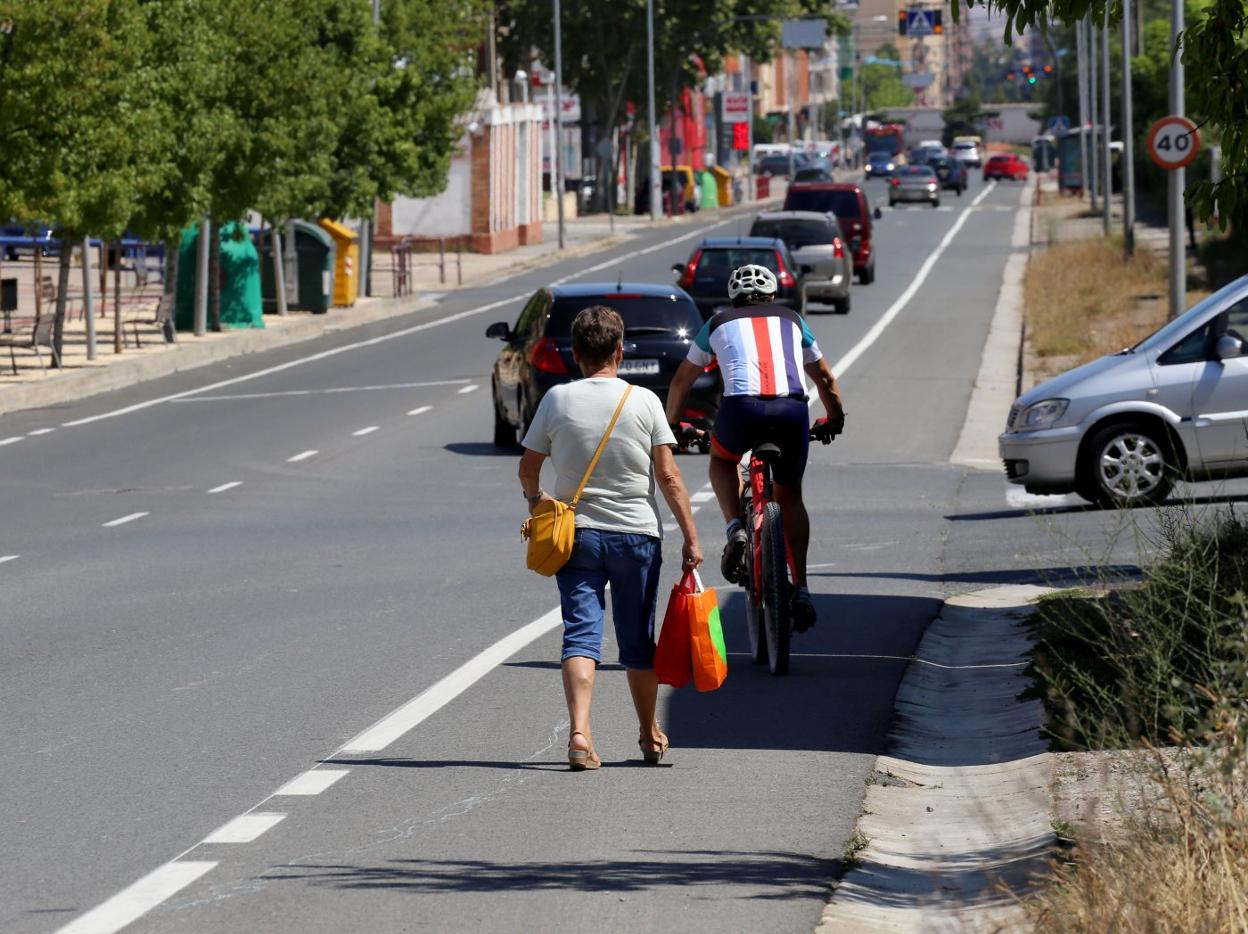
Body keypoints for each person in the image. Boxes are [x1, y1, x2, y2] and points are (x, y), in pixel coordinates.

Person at [518, 305, 703, 772]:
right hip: (636, 537)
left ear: (575, 353)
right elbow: (669, 476)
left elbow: (528, 466)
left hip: (576, 535)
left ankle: (580, 733)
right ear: (620, 351)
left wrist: (539, 504)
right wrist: (691, 536)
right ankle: (648, 733)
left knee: (580, 635)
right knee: (637, 640)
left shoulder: (557, 400)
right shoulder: (644, 402)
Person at [664, 264, 845, 633]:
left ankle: (736, 529)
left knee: (722, 458)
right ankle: (804, 589)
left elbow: (682, 380)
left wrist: (674, 425)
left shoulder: (717, 324)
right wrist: (834, 417)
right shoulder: (793, 320)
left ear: (734, 299)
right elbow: (824, 376)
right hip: (792, 408)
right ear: (773, 296)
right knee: (790, 495)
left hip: (741, 409)